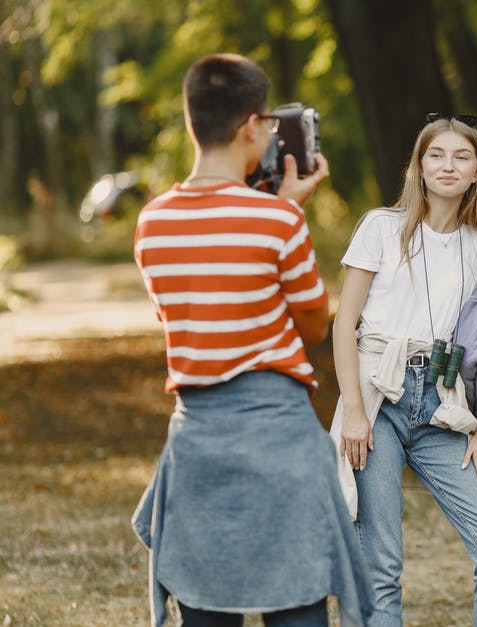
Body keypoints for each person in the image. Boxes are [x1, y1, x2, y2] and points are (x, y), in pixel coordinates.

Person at [130, 53, 371, 627]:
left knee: (207, 606)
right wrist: (285, 210)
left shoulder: (152, 222)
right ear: (250, 127)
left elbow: (183, 318)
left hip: (198, 443)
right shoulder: (277, 222)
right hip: (278, 439)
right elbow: (312, 327)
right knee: (298, 604)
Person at [330, 115, 477, 625]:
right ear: (418, 166)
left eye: (462, 157)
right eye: (436, 155)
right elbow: (344, 322)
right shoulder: (381, 227)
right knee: (381, 564)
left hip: (442, 405)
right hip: (376, 396)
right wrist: (353, 411)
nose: (448, 166)